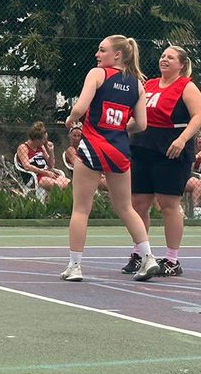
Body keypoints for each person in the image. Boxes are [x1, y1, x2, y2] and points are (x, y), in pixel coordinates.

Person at [60, 35, 160, 282]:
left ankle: (75, 266)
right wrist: (120, 128)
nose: (97, 54)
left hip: (93, 147)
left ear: (117, 55)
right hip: (119, 150)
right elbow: (142, 124)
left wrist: (71, 119)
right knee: (125, 208)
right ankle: (148, 257)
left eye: (102, 50)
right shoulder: (137, 85)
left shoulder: (97, 74)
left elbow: (81, 107)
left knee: (81, 209)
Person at [127, 45, 201, 278]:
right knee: (138, 203)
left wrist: (182, 140)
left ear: (181, 64)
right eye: (163, 56)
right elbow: (136, 116)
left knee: (168, 204)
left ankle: (172, 259)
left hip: (171, 149)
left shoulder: (186, 86)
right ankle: (141, 254)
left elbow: (198, 116)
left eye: (170, 57)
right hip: (143, 146)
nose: (164, 59)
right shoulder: (149, 85)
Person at [15, 122, 70, 194]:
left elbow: (51, 165)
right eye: (44, 139)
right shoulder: (23, 147)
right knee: (59, 186)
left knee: (70, 184)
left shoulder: (41, 147)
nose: (46, 141)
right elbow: (27, 166)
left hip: (47, 173)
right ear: (37, 140)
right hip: (34, 177)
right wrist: (44, 172)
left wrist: (51, 151)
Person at [63, 125, 107, 190]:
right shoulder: (70, 150)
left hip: (93, 174)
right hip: (83, 177)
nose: (77, 138)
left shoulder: (85, 150)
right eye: (74, 135)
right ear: (70, 137)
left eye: (79, 136)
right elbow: (77, 164)